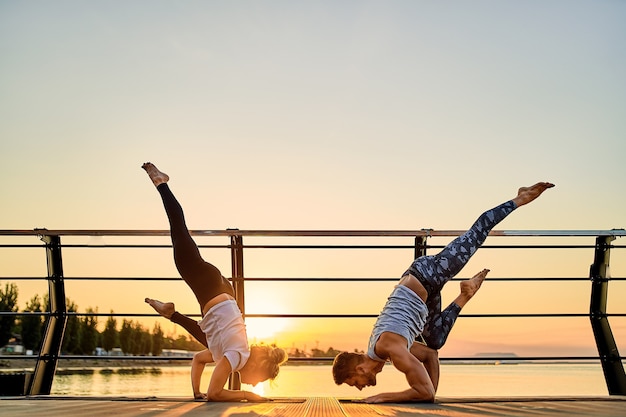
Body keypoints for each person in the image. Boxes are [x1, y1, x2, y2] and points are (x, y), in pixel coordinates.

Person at [332, 182, 555, 403]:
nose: (361, 388)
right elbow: (429, 357)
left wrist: (382, 397)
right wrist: (429, 402)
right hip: (423, 295)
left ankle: (520, 198)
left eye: (355, 383)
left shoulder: (390, 348)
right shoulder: (387, 350)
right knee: (434, 341)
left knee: (477, 234)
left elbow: (424, 392)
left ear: (360, 368)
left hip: (426, 274)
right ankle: (465, 293)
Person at [142, 162, 287, 402]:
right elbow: (215, 394)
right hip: (210, 290)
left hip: (222, 292)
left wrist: (195, 392)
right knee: (179, 233)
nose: (253, 384)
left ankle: (171, 313)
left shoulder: (231, 353)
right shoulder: (237, 355)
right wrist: (247, 395)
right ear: (256, 366)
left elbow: (198, 360)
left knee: (209, 338)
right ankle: (162, 183)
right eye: (257, 381)